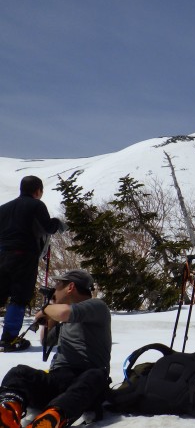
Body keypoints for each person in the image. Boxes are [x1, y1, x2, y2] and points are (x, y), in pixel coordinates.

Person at [0, 270, 111, 428]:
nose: (55, 290)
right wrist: (50, 319)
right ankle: (8, 411)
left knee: (97, 376)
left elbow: (64, 312)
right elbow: (46, 340)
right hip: (59, 378)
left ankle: (54, 417)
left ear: (70, 287)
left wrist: (47, 309)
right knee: (19, 372)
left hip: (86, 380)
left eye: (58, 285)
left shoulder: (97, 306)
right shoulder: (65, 320)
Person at [0, 176, 67, 351]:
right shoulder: (36, 205)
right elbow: (48, 227)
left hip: (2, 255)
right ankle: (9, 339)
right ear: (37, 190)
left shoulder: (3, 208)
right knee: (19, 297)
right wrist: (57, 223)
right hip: (23, 256)